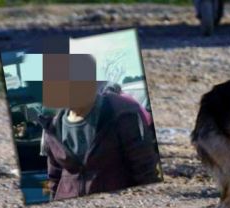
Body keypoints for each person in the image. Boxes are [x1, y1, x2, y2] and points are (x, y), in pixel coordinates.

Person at [39, 53, 161, 200]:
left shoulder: (121, 114)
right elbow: (52, 177)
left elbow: (145, 168)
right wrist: (49, 201)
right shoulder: (52, 128)